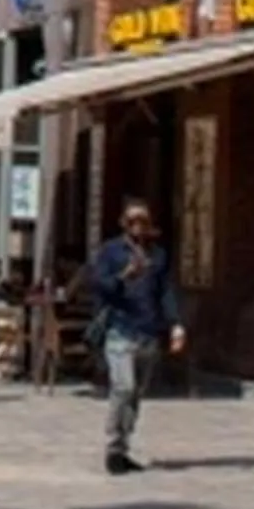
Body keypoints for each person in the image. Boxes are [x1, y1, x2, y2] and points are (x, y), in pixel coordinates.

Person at [84, 199, 184, 473]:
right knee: (123, 387)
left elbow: (165, 291)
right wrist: (123, 277)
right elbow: (97, 285)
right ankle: (113, 445)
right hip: (120, 329)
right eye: (133, 222)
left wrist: (175, 324)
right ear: (124, 224)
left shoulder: (158, 255)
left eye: (144, 222)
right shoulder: (111, 252)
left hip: (148, 330)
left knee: (136, 393)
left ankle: (123, 446)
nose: (139, 227)